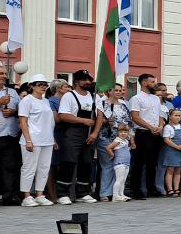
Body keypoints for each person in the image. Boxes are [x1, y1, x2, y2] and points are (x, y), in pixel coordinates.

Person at [55, 69, 99, 204]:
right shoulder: (69, 96)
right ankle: (63, 193)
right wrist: (83, 121)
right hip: (73, 133)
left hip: (90, 133)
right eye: (84, 80)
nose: (87, 82)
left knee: (86, 163)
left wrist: (95, 133)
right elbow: (63, 115)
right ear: (76, 82)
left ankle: (82, 192)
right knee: (68, 162)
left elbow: (100, 116)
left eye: (89, 80)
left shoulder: (94, 96)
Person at [0, 62, 22, 207]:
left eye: (6, 74)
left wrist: (13, 112)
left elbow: (21, 110)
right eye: (1, 74)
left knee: (10, 167)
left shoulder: (12, 92)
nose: (4, 76)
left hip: (10, 134)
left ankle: (9, 196)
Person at [18, 75, 56, 207]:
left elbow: (49, 122)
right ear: (32, 86)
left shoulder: (46, 101)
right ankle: (27, 196)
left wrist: (53, 139)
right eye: (40, 84)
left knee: (44, 168)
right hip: (32, 139)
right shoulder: (27, 101)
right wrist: (28, 140)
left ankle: (40, 194)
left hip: (47, 139)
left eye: (45, 85)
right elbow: (23, 121)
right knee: (29, 168)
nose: (43, 87)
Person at [127, 73, 164, 199]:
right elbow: (135, 117)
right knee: (139, 163)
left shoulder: (155, 98)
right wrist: (150, 127)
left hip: (155, 133)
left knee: (152, 163)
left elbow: (160, 115)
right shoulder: (136, 99)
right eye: (152, 82)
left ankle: (151, 188)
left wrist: (160, 126)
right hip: (143, 133)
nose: (154, 84)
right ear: (144, 83)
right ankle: (136, 190)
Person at [160, 107, 181, 197]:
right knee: (170, 170)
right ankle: (170, 189)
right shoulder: (168, 127)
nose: (178, 117)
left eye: (179, 116)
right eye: (176, 115)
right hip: (172, 150)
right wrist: (177, 147)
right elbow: (167, 140)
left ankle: (176, 188)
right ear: (170, 117)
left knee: (178, 170)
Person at [105, 123, 133, 202]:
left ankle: (121, 194)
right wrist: (112, 155)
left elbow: (125, 150)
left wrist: (130, 147)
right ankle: (115, 195)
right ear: (118, 132)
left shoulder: (126, 141)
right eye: (121, 132)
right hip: (120, 163)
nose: (123, 133)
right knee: (119, 179)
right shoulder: (117, 140)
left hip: (126, 163)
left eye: (125, 132)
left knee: (123, 180)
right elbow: (108, 148)